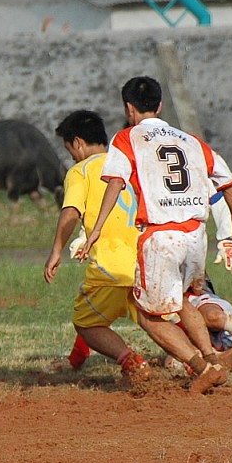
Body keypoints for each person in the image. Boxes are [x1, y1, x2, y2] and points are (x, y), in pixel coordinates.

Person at [81, 76, 232, 394]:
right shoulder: (191, 140)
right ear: (160, 106)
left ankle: (203, 368)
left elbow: (115, 183)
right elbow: (227, 182)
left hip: (161, 236)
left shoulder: (126, 138)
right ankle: (213, 357)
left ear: (129, 108)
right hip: (196, 236)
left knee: (148, 314)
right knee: (183, 300)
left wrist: (98, 229)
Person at [43, 110, 152, 385]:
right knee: (158, 319)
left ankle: (132, 362)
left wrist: (56, 251)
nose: (70, 156)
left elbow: (70, 212)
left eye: (69, 149)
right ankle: (196, 361)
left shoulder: (81, 170)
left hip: (110, 263)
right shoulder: (127, 163)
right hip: (146, 258)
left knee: (87, 321)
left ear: (77, 143)